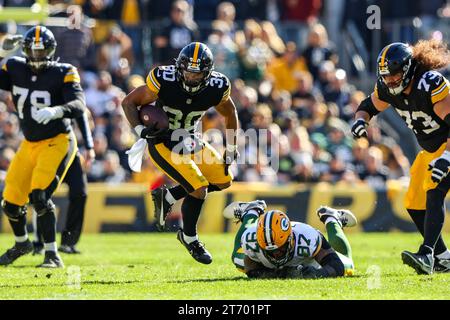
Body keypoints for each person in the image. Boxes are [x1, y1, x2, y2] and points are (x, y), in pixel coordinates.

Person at [121, 42, 238, 264]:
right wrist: (140, 132)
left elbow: (230, 112)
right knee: (198, 188)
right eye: (187, 71)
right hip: (163, 141)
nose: (191, 77)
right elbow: (129, 102)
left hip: (190, 139)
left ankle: (169, 196)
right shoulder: (163, 79)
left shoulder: (217, 86)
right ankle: (189, 237)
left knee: (224, 181)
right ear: (179, 67)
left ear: (208, 73)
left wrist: (231, 147)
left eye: (197, 74)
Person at [351, 40, 450, 274]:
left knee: (434, 192)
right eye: (386, 76)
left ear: (407, 70)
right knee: (414, 203)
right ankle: (443, 257)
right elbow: (367, 106)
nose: (390, 81)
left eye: (394, 75)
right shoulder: (386, 88)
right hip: (430, 151)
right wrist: (360, 120)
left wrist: (447, 156)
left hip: (446, 147)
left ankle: (426, 254)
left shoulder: (429, 84)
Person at [0, 26, 86, 268]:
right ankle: (22, 244)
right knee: (10, 203)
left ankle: (52, 255)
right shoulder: (14, 66)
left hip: (58, 140)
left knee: (39, 196)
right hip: (29, 143)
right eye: (33, 51)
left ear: (51, 51)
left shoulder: (64, 71)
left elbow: (79, 104)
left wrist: (58, 110)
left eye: (42, 51)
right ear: (26, 50)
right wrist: (0, 53)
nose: (37, 57)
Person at [225, 200, 356, 279]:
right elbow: (250, 268)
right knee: (237, 259)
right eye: (271, 251)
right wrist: (271, 274)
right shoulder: (251, 239)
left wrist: (319, 273)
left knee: (347, 267)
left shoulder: (307, 237)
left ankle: (332, 218)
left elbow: (336, 265)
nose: (276, 255)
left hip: (310, 262)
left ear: (291, 239)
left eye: (280, 249)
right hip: (265, 252)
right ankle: (251, 211)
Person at [32, 110, 95, 255]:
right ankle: (39, 242)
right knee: (42, 194)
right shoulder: (48, 91)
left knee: (80, 192)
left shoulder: (70, 94)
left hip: (70, 151)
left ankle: (68, 241)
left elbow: (83, 116)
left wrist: (89, 145)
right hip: (49, 149)